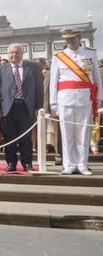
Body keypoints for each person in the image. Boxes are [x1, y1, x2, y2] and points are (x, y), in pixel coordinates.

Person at [49, 28, 103, 175]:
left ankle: (82, 164)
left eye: (72, 39)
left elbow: (97, 79)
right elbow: (53, 82)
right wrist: (53, 103)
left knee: (83, 133)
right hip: (65, 99)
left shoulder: (90, 54)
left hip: (85, 99)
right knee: (67, 134)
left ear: (79, 38)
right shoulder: (59, 57)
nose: (70, 42)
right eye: (67, 40)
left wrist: (98, 98)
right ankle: (69, 164)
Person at [0, 43, 43, 172]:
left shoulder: (33, 67)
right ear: (8, 54)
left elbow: (39, 88)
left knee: (26, 137)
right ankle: (11, 162)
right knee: (9, 137)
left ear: (22, 53)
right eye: (11, 53)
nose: (14, 55)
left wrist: (39, 106)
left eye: (17, 52)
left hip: (26, 108)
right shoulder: (0, 69)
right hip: (8, 108)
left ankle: (27, 163)